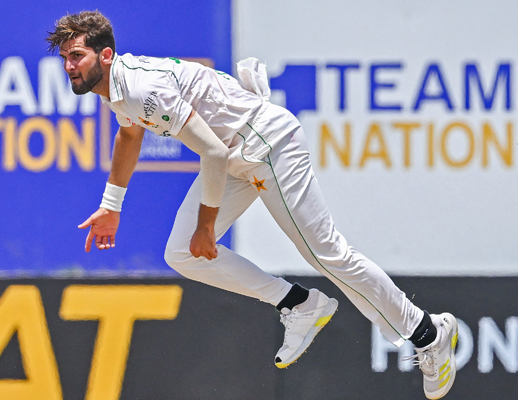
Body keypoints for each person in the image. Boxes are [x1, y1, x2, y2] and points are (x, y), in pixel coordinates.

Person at [48, 10, 458, 399]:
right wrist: (111, 204)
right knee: (181, 254)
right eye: (65, 57)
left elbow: (210, 153)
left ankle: (428, 333)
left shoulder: (141, 88)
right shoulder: (116, 87)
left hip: (267, 145)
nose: (70, 66)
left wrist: (206, 225)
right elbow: (129, 136)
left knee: (326, 253)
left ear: (105, 54)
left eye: (77, 56)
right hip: (234, 154)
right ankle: (299, 304)